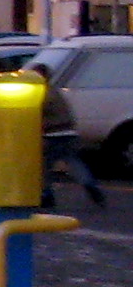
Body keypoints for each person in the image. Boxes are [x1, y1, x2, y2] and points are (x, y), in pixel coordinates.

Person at [41, 76, 108, 209]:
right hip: (69, 132)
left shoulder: (40, 94)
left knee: (43, 166)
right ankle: (91, 186)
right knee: (73, 161)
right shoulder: (56, 92)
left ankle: (46, 195)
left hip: (52, 134)